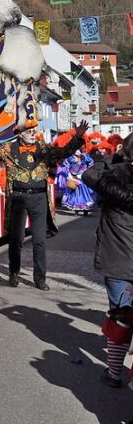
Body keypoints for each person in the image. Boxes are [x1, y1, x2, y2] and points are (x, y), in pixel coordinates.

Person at [0, 118, 88, 290]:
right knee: (16, 238)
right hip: (18, 199)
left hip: (39, 199)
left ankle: (40, 278)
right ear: (20, 134)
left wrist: (78, 137)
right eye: (29, 131)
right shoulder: (8, 149)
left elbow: (64, 152)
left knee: (39, 240)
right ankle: (14, 272)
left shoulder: (43, 148)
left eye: (34, 130)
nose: (32, 134)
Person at [83, 135, 133, 387]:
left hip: (118, 256)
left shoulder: (114, 173)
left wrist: (116, 155)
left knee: (120, 317)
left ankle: (114, 373)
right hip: (120, 256)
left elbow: (89, 174)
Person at [56, 149, 97, 214]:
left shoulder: (85, 158)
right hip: (74, 179)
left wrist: (86, 172)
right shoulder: (71, 159)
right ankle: (76, 210)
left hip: (83, 179)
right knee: (75, 195)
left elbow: (91, 163)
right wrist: (70, 176)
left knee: (84, 194)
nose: (74, 157)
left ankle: (85, 210)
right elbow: (66, 165)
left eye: (76, 156)